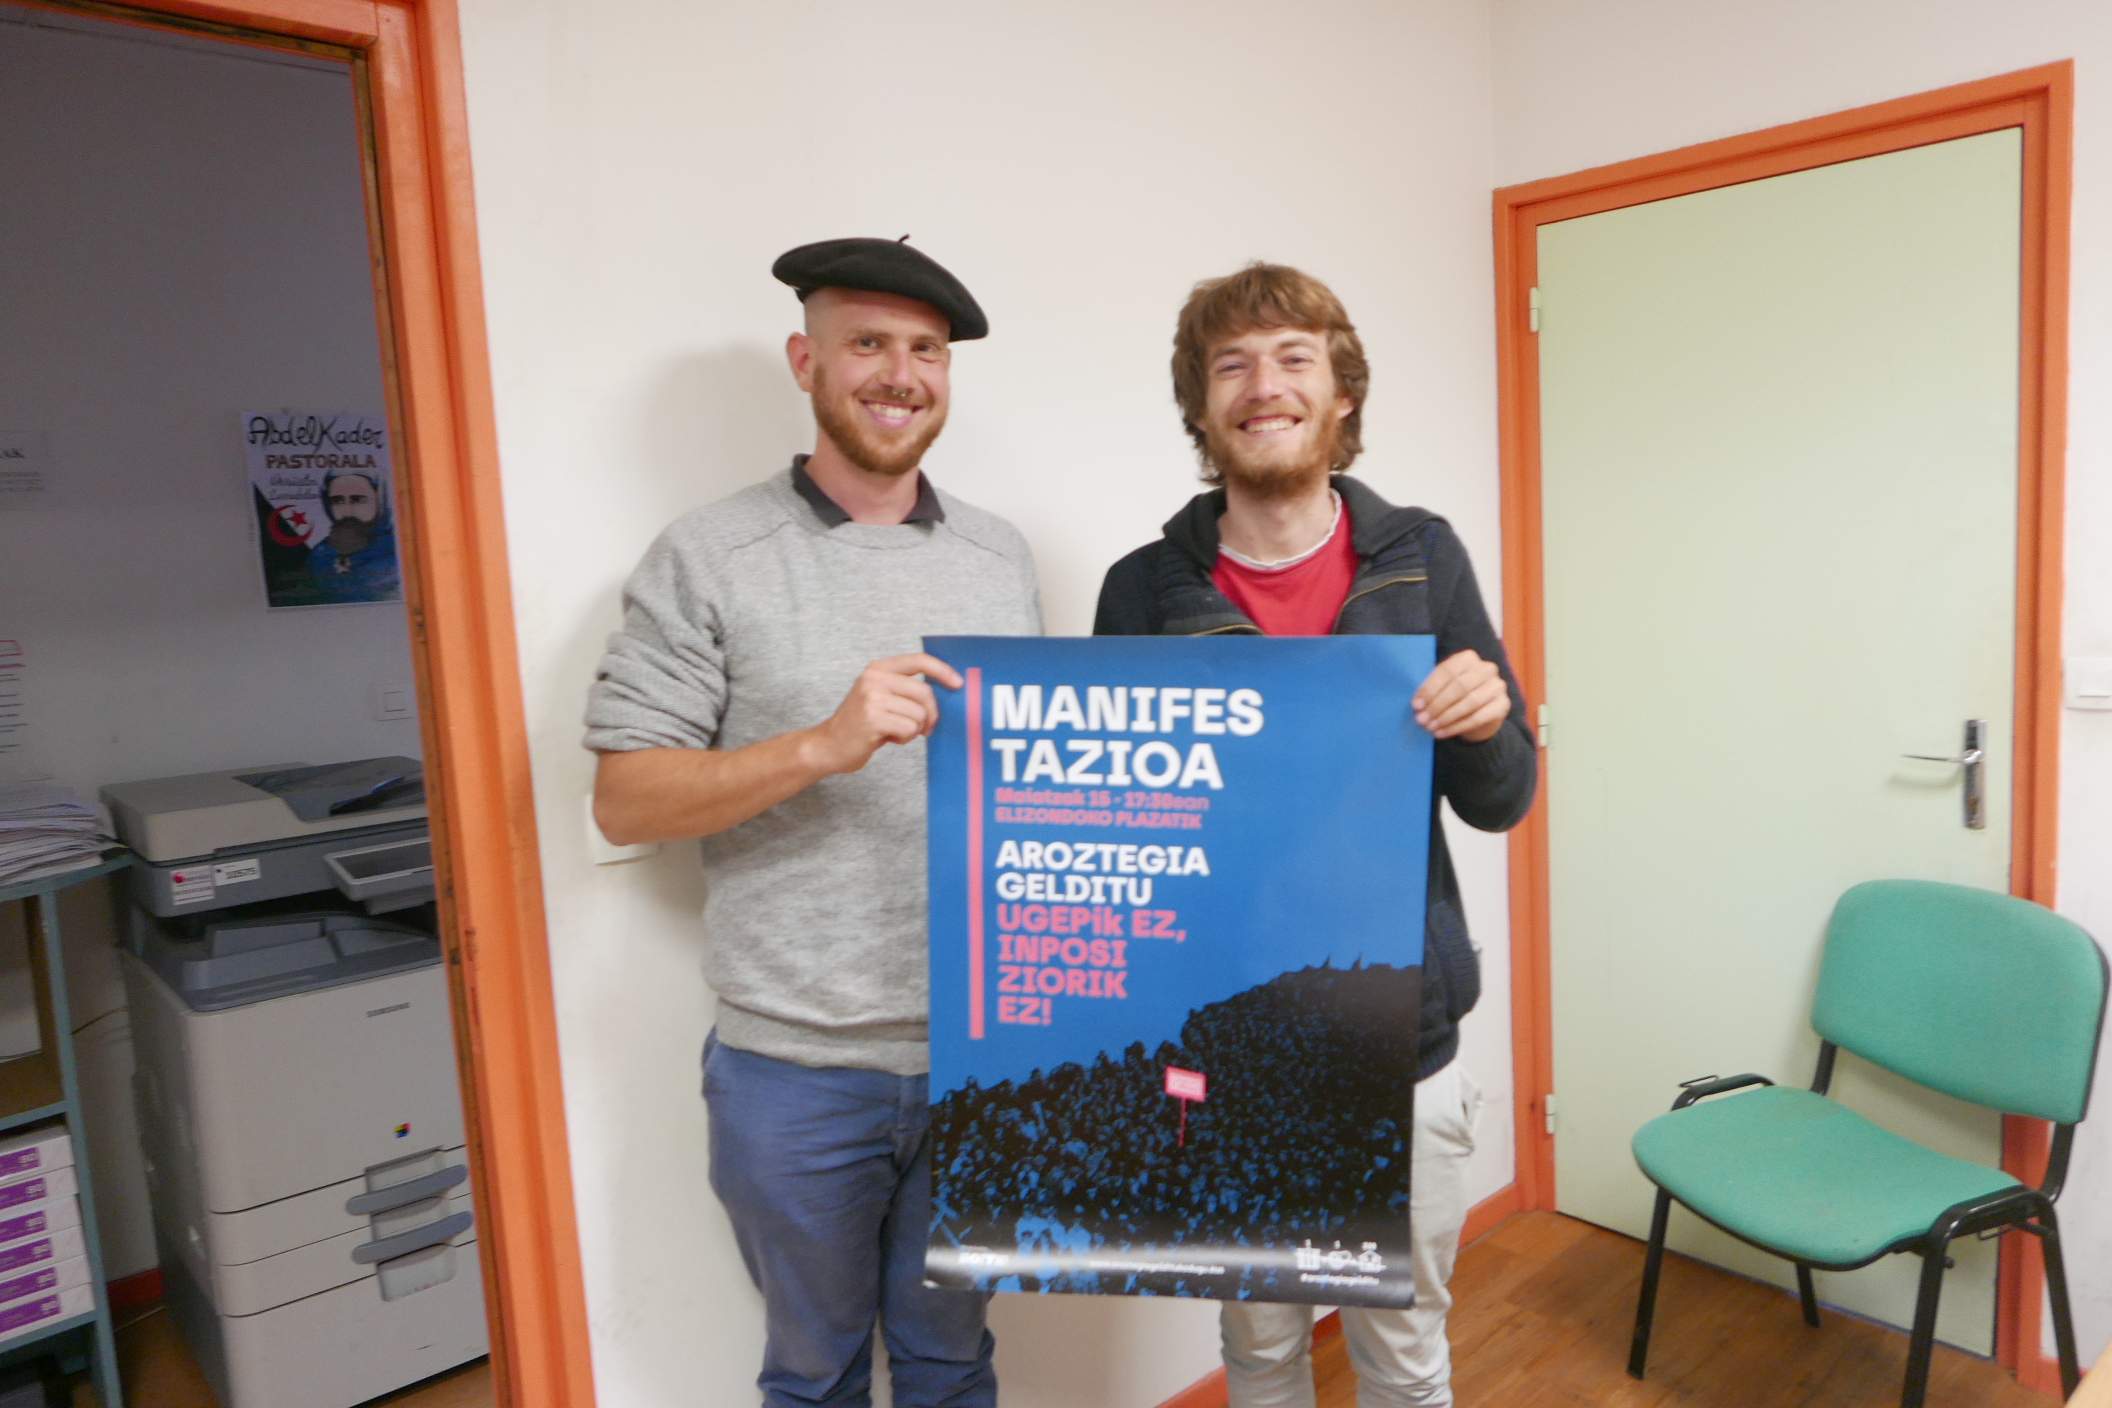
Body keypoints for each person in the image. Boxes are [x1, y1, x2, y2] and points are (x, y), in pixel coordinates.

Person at [585, 237, 1040, 1408]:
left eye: (926, 350)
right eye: (867, 342)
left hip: (982, 1053)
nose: (900, 374)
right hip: (795, 1072)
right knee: (815, 1377)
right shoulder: (710, 555)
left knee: (953, 1365)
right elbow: (626, 798)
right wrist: (820, 747)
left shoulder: (1000, 556)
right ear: (806, 360)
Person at [1094, 262, 1537, 1408]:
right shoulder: (1142, 590)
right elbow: (1118, 836)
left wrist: (1484, 718)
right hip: (1230, 1046)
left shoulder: (1422, 556)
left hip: (1403, 1040)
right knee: (1259, 1351)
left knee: (1404, 1357)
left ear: (1342, 394)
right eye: (1231, 365)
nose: (1264, 386)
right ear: (1200, 406)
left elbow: (1500, 798)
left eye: (1294, 358)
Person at [308, 467, 401, 602]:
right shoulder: (320, 555)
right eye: (337, 501)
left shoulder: (399, 550)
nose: (347, 511)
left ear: (380, 499)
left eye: (358, 500)